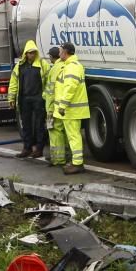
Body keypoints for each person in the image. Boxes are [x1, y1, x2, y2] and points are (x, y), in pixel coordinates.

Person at [51, 42, 89, 174]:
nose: (59, 53)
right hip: (72, 109)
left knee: (73, 136)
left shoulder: (71, 67)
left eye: (60, 51)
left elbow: (69, 88)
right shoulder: (71, 66)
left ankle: (77, 164)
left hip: (71, 110)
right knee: (73, 136)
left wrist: (62, 105)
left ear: (65, 52)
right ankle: (76, 162)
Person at [8, 40, 50, 158]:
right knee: (25, 125)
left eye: (33, 52)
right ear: (25, 54)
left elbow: (49, 81)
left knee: (39, 125)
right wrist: (11, 98)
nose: (31, 55)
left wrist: (45, 96)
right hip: (24, 99)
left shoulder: (42, 64)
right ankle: (27, 148)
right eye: (29, 53)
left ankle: (39, 149)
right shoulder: (20, 66)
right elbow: (14, 83)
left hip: (38, 98)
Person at [43, 46, 64, 164]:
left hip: (53, 107)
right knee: (62, 132)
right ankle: (63, 156)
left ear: (51, 57)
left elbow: (51, 92)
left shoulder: (54, 69)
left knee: (54, 132)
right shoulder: (64, 65)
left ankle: (57, 158)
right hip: (62, 106)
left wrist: (49, 109)